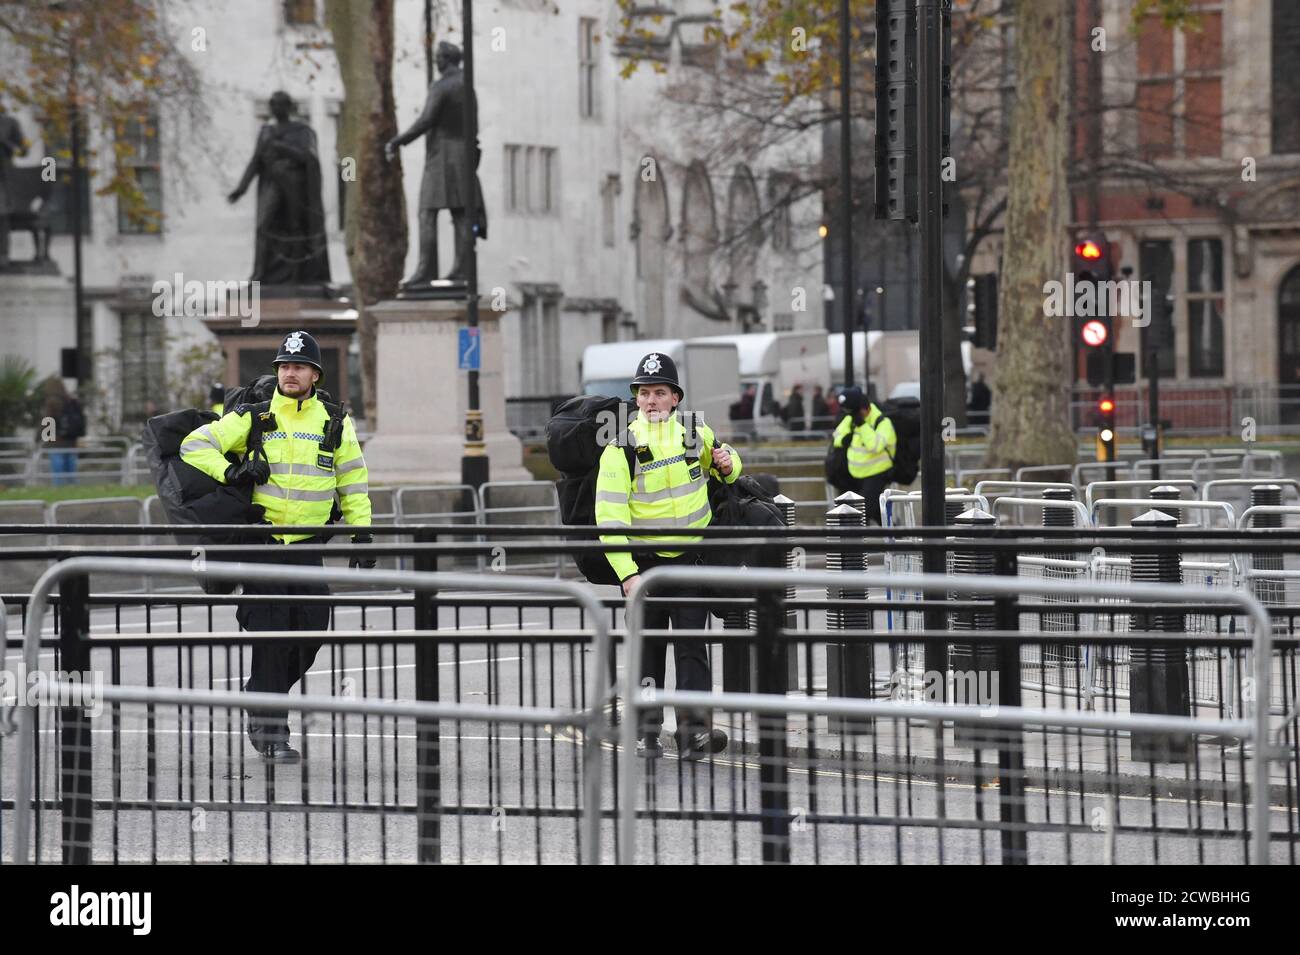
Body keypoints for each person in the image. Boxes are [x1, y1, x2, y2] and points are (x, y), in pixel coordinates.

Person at [180, 330, 373, 761]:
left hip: (307, 549)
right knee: (271, 639)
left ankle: (259, 696)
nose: (290, 372)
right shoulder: (255, 415)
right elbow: (195, 445)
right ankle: (271, 732)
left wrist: (362, 532)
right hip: (264, 544)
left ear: (315, 375)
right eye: (284, 366)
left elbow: (353, 481)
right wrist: (231, 472)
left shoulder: (335, 421)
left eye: (299, 366)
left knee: (310, 634)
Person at [595, 351, 743, 760]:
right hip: (645, 563)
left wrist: (729, 463)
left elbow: (727, 467)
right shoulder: (620, 444)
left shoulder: (694, 430)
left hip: (690, 558)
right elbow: (609, 516)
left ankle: (694, 733)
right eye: (644, 393)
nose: (651, 401)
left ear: (675, 397)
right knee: (649, 649)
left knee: (693, 647)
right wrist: (626, 574)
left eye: (660, 392)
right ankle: (646, 730)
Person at [831, 386, 897, 525]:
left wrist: (862, 426)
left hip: (876, 474)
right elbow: (836, 436)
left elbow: (874, 446)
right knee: (877, 512)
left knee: (862, 514)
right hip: (855, 474)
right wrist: (843, 439)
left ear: (865, 409)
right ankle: (897, 537)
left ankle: (856, 544)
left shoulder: (883, 423)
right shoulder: (851, 419)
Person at [38, 377, 81, 486]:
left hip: (56, 441)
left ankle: (59, 487)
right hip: (71, 439)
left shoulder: (51, 402)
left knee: (58, 466)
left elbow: (48, 421)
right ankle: (73, 486)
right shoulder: (71, 400)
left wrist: (43, 438)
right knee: (71, 465)